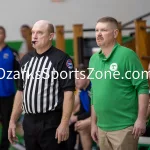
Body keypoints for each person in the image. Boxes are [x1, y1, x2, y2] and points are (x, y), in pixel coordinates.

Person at [8, 20, 75, 150]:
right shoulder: (25, 59)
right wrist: (12, 120)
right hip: (29, 121)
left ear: (51, 36)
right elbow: (20, 92)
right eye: (33, 32)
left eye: (39, 33)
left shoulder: (61, 59)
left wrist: (64, 123)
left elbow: (69, 93)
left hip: (52, 122)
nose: (34, 36)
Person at [89, 17, 149, 150]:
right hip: (102, 128)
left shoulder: (127, 55)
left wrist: (141, 119)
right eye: (97, 30)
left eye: (104, 30)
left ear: (115, 33)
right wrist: (94, 124)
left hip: (125, 127)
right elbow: (94, 93)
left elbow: (142, 87)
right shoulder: (93, 59)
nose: (99, 34)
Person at [0, 26, 20, 150]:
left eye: (1, 33)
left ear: (5, 35)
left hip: (7, 94)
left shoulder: (12, 53)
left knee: (7, 122)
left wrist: (20, 91)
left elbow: (19, 74)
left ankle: (4, 147)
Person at [68, 64, 92, 150]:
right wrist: (73, 118)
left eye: (79, 78)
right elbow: (82, 109)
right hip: (88, 117)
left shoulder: (92, 89)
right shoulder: (82, 90)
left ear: (88, 77)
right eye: (75, 78)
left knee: (81, 127)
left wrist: (76, 118)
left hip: (97, 119)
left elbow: (92, 111)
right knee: (69, 124)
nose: (76, 81)